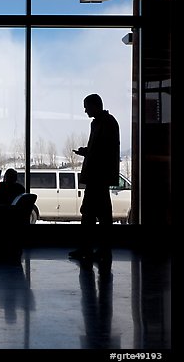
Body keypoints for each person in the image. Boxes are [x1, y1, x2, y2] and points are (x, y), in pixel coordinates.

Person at [69, 93, 120, 264]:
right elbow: (104, 150)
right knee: (98, 213)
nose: (85, 110)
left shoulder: (103, 124)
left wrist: (88, 152)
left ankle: (91, 248)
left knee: (92, 213)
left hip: (98, 176)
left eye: (87, 106)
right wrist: (89, 151)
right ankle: (98, 249)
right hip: (99, 177)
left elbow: (102, 152)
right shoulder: (106, 123)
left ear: (95, 105)